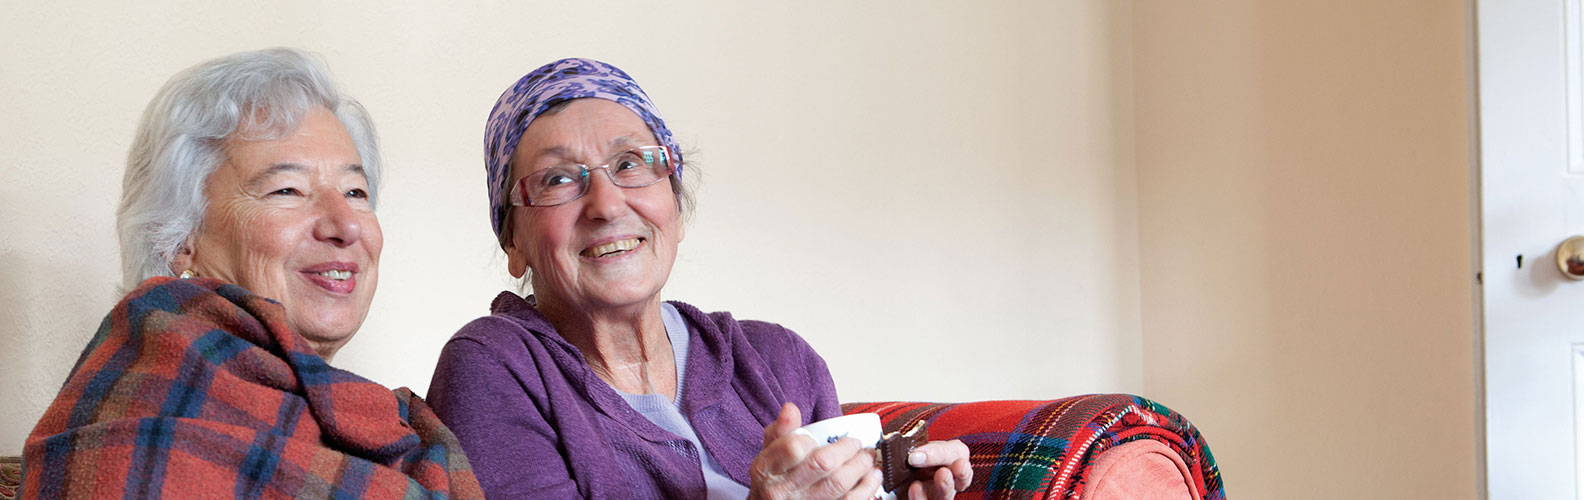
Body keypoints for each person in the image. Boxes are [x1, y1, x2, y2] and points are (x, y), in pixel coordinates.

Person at [426, 58, 972, 500]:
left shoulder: (779, 360)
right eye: (559, 178)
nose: (606, 203)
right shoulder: (496, 367)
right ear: (513, 243)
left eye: (631, 164)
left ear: (675, 208)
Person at [22, 48, 483, 499]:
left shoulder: (386, 426)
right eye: (287, 189)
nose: (344, 225)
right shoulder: (141, 417)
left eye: (356, 191)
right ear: (180, 241)